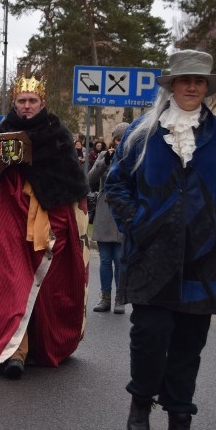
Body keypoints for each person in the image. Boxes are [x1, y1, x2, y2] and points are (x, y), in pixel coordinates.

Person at [104, 50, 216, 430]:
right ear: (172, 86)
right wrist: (138, 224)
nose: (193, 87)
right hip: (151, 254)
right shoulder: (141, 134)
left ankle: (180, 419)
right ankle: (141, 400)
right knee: (150, 334)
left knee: (188, 344)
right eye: (185, 81)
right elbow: (116, 186)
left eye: (199, 82)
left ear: (206, 88)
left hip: (203, 256)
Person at [0, 75, 90, 379]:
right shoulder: (0, 132)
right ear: (15, 104)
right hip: (7, 215)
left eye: (32, 101)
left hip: (48, 218)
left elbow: (72, 181)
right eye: (22, 101)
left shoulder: (58, 135)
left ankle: (36, 345)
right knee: (7, 279)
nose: (27, 106)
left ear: (42, 103)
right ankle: (12, 349)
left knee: (44, 286)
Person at [87, 123, 128, 314]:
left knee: (120, 259)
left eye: (125, 139)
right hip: (105, 209)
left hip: (124, 211)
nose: (121, 143)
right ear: (113, 140)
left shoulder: (135, 157)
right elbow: (90, 178)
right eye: (118, 139)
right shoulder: (105, 156)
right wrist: (106, 161)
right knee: (104, 259)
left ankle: (120, 299)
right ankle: (105, 298)